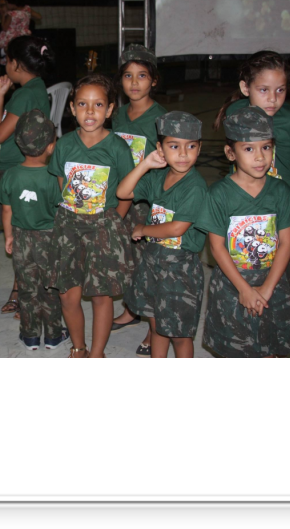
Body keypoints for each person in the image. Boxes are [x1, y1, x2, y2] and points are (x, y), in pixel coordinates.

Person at [195, 107, 290, 357]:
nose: (260, 157)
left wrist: (267, 288)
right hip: (232, 285)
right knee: (234, 349)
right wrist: (244, 289)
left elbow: (286, 243)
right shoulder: (219, 194)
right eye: (249, 149)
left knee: (271, 346)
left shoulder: (281, 192)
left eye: (266, 147)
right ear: (230, 153)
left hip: (272, 282)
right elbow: (217, 247)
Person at [213, 50, 290, 302]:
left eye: (280, 90)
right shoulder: (236, 111)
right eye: (263, 90)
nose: (273, 99)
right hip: (239, 210)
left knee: (279, 284)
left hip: (279, 215)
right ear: (245, 88)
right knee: (237, 277)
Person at [47, 73, 135, 357]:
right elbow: (62, 184)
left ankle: (97, 353)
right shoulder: (64, 145)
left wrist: (113, 222)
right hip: (68, 226)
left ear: (109, 110)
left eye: (98, 105)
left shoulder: (117, 147)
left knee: (101, 294)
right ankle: (79, 346)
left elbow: (126, 193)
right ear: (72, 108)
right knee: (67, 294)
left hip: (103, 227)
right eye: (82, 104)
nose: (90, 111)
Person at [116, 112, 208, 358]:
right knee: (157, 326)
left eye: (191, 146)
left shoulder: (195, 186)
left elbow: (177, 228)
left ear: (199, 149)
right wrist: (145, 164)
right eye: (174, 146)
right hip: (154, 261)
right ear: (160, 149)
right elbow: (123, 192)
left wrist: (143, 229)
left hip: (180, 269)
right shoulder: (158, 177)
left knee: (180, 335)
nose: (183, 154)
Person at [0, 36, 54, 317]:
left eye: (6, 61)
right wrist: (0, 97)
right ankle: (22, 290)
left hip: (17, 170)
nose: (4, 66)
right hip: (19, 167)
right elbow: (0, 133)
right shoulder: (36, 88)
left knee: (21, 234)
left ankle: (24, 293)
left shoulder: (24, 95)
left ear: (15, 63)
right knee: (23, 233)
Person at [0, 110, 69, 351]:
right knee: (50, 289)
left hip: (21, 238)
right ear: (50, 146)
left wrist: (8, 236)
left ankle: (30, 336)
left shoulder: (10, 175)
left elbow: (7, 210)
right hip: (48, 239)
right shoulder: (53, 177)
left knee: (27, 289)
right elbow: (60, 211)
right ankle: (54, 336)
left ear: (18, 143)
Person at [109, 44, 168, 354]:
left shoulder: (161, 119)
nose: (134, 82)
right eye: (128, 75)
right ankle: (132, 310)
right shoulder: (118, 115)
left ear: (153, 80)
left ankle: (153, 329)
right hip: (122, 199)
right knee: (129, 261)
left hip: (148, 204)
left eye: (142, 75)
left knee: (150, 265)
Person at [0, 0, 42, 85]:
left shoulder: (28, 24)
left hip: (21, 74)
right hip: (3, 74)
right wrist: (2, 50)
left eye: (2, 5)